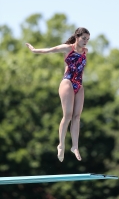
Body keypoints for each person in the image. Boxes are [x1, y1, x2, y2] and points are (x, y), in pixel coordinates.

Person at [26, 27, 90, 162]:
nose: (85, 41)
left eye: (88, 39)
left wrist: (80, 85)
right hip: (67, 82)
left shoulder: (85, 52)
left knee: (77, 116)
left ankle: (75, 146)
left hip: (78, 84)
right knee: (67, 115)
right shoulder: (67, 48)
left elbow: (82, 70)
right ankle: (61, 144)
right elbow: (49, 50)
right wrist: (34, 50)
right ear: (77, 37)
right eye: (83, 38)